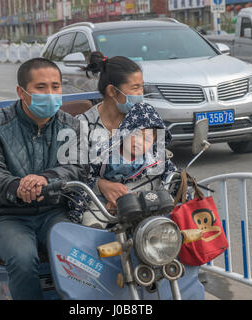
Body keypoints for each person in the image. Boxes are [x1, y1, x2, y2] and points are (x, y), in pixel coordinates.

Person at [0, 57, 87, 300]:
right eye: (41, 87)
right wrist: (16, 186)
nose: (50, 93)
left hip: (55, 210)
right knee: (23, 259)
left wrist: (46, 179)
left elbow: (78, 166)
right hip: (7, 214)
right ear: (21, 92)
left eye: (55, 87)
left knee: (79, 255)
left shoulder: (71, 125)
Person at [68, 51, 176, 226]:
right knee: (91, 231)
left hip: (150, 198)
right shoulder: (82, 125)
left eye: (142, 86)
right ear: (112, 91)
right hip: (101, 203)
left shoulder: (144, 116)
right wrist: (101, 185)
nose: (141, 93)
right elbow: (72, 174)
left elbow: (161, 160)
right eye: (135, 88)